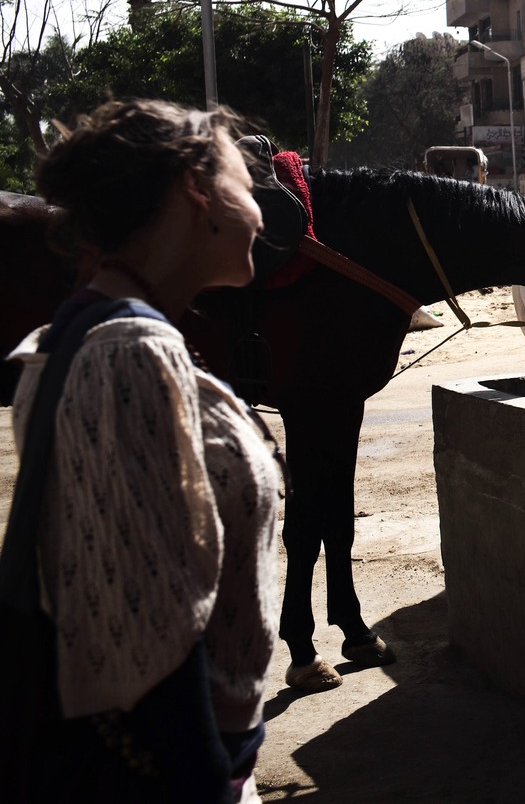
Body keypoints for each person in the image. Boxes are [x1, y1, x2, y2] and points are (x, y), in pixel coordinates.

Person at [2, 100, 279, 802]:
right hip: (166, 772)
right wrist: (208, 784)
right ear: (197, 193)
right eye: (247, 184)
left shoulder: (85, 337)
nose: (261, 211)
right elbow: (160, 648)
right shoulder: (129, 354)